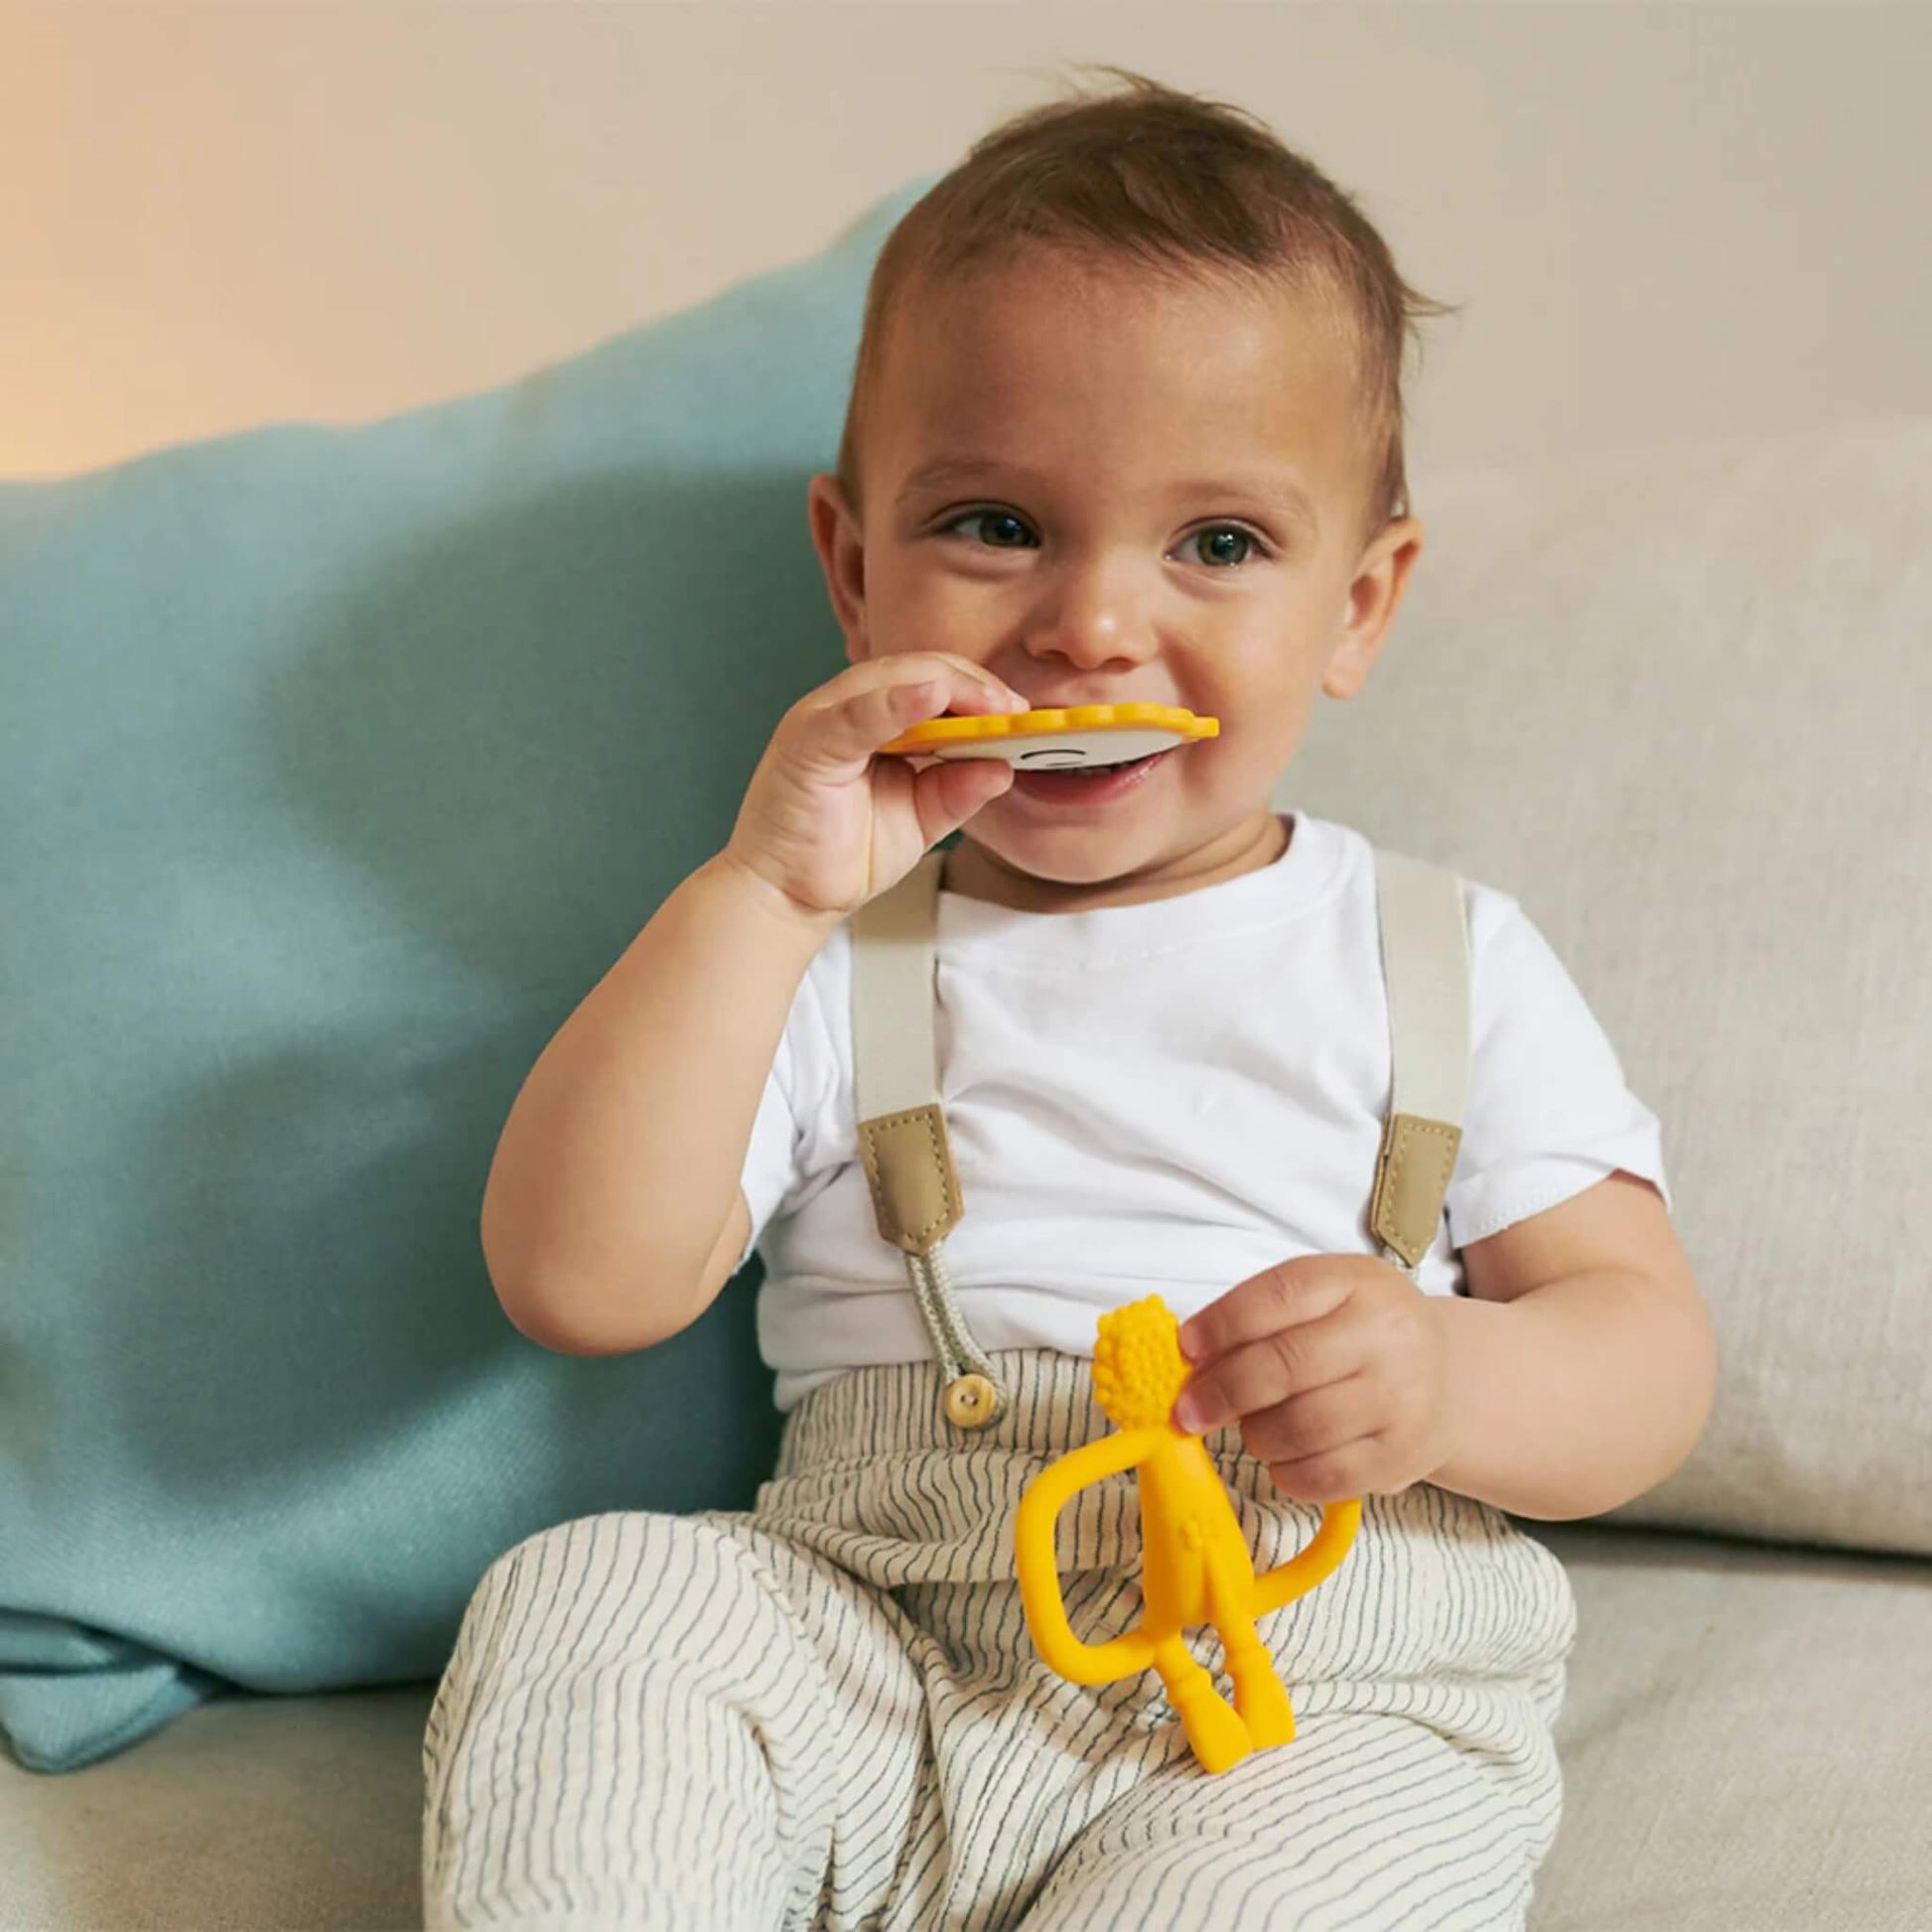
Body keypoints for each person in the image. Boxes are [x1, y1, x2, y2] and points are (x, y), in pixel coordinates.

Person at [421, 65, 1715, 1931]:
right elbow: (579, 1279)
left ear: (1359, 608)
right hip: (883, 1631)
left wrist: (1447, 1375)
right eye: (996, 526)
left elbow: (1647, 1353)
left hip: (1308, 1681)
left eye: (1217, 545)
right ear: (854, 572)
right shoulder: (819, 936)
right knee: (599, 1593)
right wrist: (755, 892)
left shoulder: (1444, 954)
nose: (1093, 626)